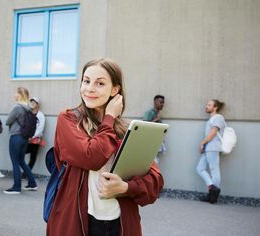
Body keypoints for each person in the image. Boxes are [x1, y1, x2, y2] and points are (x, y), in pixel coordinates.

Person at [47, 58, 164, 236]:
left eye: (100, 83)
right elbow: (91, 157)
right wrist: (109, 117)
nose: (90, 88)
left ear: (115, 90)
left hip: (119, 224)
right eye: (86, 81)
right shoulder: (68, 119)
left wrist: (125, 188)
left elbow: (155, 182)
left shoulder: (125, 130)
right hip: (77, 222)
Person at [4, 87, 38, 194]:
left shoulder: (17, 107)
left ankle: (16, 187)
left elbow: (8, 121)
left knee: (15, 162)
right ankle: (32, 183)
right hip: (25, 138)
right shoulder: (28, 108)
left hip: (16, 137)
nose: (14, 95)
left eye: (16, 93)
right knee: (21, 161)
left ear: (20, 95)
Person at [196, 99, 226, 204]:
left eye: (209, 105)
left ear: (215, 107)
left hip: (213, 147)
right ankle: (213, 189)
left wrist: (202, 143)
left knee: (214, 171)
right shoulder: (212, 119)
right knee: (200, 168)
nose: (206, 106)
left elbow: (213, 133)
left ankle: (213, 196)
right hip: (208, 148)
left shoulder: (218, 118)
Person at [23, 97, 45, 178]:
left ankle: (25, 175)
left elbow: (40, 128)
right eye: (31, 102)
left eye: (34, 102)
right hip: (26, 138)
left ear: (37, 104)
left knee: (33, 157)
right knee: (21, 153)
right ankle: (25, 172)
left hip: (35, 139)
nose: (32, 104)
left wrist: (32, 137)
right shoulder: (27, 113)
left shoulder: (40, 115)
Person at [143, 95, 166, 163]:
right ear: (155, 102)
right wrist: (157, 119)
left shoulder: (158, 113)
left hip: (157, 144)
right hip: (150, 144)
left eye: (163, 103)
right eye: (161, 102)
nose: (162, 104)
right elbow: (144, 126)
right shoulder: (149, 113)